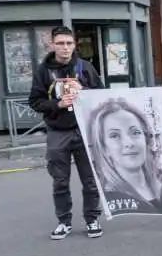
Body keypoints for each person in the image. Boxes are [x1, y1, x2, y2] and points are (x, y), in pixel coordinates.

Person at [28, 26, 105, 240]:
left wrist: (85, 92)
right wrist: (58, 103)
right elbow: (34, 102)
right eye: (60, 43)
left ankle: (92, 219)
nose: (65, 48)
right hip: (58, 131)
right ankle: (64, 221)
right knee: (60, 180)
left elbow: (103, 96)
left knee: (90, 180)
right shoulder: (43, 71)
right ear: (52, 45)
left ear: (74, 45)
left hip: (84, 131)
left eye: (69, 43)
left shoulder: (85, 67)